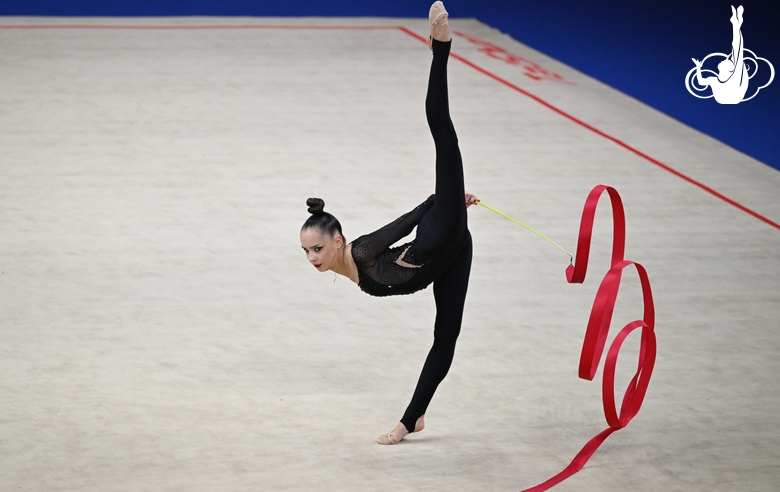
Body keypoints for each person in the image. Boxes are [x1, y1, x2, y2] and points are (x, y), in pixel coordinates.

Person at [299, 1, 479, 445]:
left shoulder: (359, 251)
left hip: (438, 234)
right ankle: (417, 417)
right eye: (306, 251)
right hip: (451, 256)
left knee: (443, 132)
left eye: (317, 249)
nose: (311, 258)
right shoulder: (348, 266)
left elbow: (401, 225)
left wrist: (445, 200)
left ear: (337, 241)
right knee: (446, 338)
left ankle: (441, 47)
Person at [692, 5, 748, 104]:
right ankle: (736, 24)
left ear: (729, 69)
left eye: (727, 61)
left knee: (737, 51)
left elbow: (737, 48)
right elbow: (701, 82)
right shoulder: (714, 80)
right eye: (727, 60)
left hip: (733, 97)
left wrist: (736, 26)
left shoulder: (735, 77)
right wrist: (698, 67)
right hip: (726, 98)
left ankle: (736, 24)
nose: (724, 59)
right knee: (736, 51)